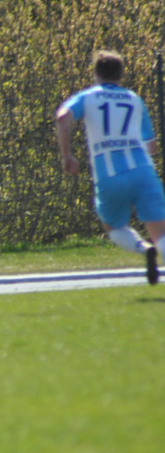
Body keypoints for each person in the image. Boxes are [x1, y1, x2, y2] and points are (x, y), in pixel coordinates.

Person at [56, 50, 165, 284]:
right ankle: (155, 246)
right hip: (143, 171)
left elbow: (62, 117)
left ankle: (143, 249)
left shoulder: (88, 97)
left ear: (96, 74)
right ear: (121, 75)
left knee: (113, 226)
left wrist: (67, 155)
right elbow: (152, 145)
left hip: (109, 175)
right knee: (161, 234)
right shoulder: (134, 99)